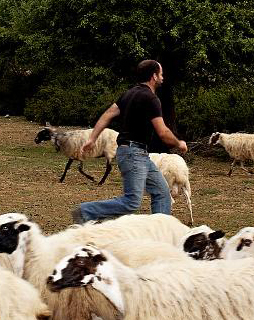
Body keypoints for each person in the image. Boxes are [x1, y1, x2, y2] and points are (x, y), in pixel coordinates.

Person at [72, 60, 187, 223]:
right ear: (154, 76)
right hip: (134, 154)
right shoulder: (151, 99)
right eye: (161, 73)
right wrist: (179, 143)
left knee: (162, 193)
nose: (163, 77)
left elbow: (107, 114)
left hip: (137, 154)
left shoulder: (129, 94)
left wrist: (92, 138)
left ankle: (161, 229)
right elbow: (163, 132)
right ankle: (86, 211)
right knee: (131, 202)